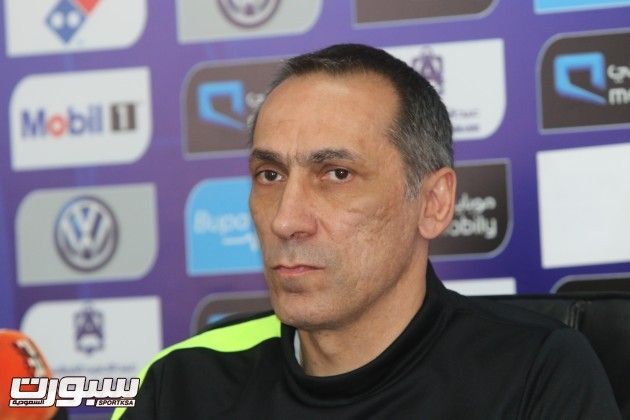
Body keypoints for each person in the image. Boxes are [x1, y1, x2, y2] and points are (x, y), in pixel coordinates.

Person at [114, 44, 621, 419]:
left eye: (337, 174)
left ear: (434, 203)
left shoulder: (536, 373)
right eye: (270, 175)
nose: (286, 219)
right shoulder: (181, 382)